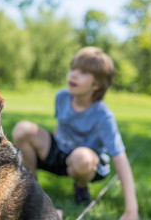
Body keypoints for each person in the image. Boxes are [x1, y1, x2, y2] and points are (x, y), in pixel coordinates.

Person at [12, 46, 139, 220]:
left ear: (97, 85)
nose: (73, 74)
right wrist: (50, 148)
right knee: (22, 129)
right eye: (73, 69)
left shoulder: (104, 116)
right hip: (61, 153)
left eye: (84, 72)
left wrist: (131, 210)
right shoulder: (62, 97)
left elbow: (120, 159)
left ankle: (80, 187)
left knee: (82, 159)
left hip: (86, 163)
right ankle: (32, 194)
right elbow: (60, 126)